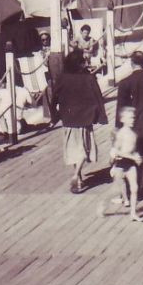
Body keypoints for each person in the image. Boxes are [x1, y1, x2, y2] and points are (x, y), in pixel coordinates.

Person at [52, 50, 106, 193]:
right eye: (83, 61)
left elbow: (54, 97)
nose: (85, 64)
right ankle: (76, 176)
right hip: (85, 118)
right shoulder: (88, 78)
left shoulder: (62, 78)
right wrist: (101, 116)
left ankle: (79, 177)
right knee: (84, 149)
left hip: (69, 118)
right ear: (79, 64)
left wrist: (54, 116)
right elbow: (98, 97)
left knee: (74, 149)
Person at [107, 106, 143, 222]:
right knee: (117, 189)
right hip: (120, 164)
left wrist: (137, 156)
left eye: (133, 118)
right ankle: (105, 204)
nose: (132, 120)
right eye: (129, 118)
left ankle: (133, 213)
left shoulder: (134, 133)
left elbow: (132, 149)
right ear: (122, 119)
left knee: (134, 189)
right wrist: (113, 165)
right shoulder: (121, 134)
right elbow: (116, 151)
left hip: (130, 165)